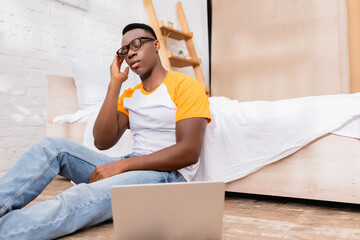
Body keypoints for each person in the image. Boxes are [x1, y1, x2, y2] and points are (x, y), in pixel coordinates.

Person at [0, 23, 211, 240]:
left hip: (167, 176)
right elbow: (102, 141)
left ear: (156, 45)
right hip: (132, 164)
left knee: (80, 196)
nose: (131, 52)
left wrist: (121, 165)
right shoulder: (130, 94)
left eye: (137, 44)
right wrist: (114, 84)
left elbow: (188, 152)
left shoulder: (186, 86)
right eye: (124, 51)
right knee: (51, 147)